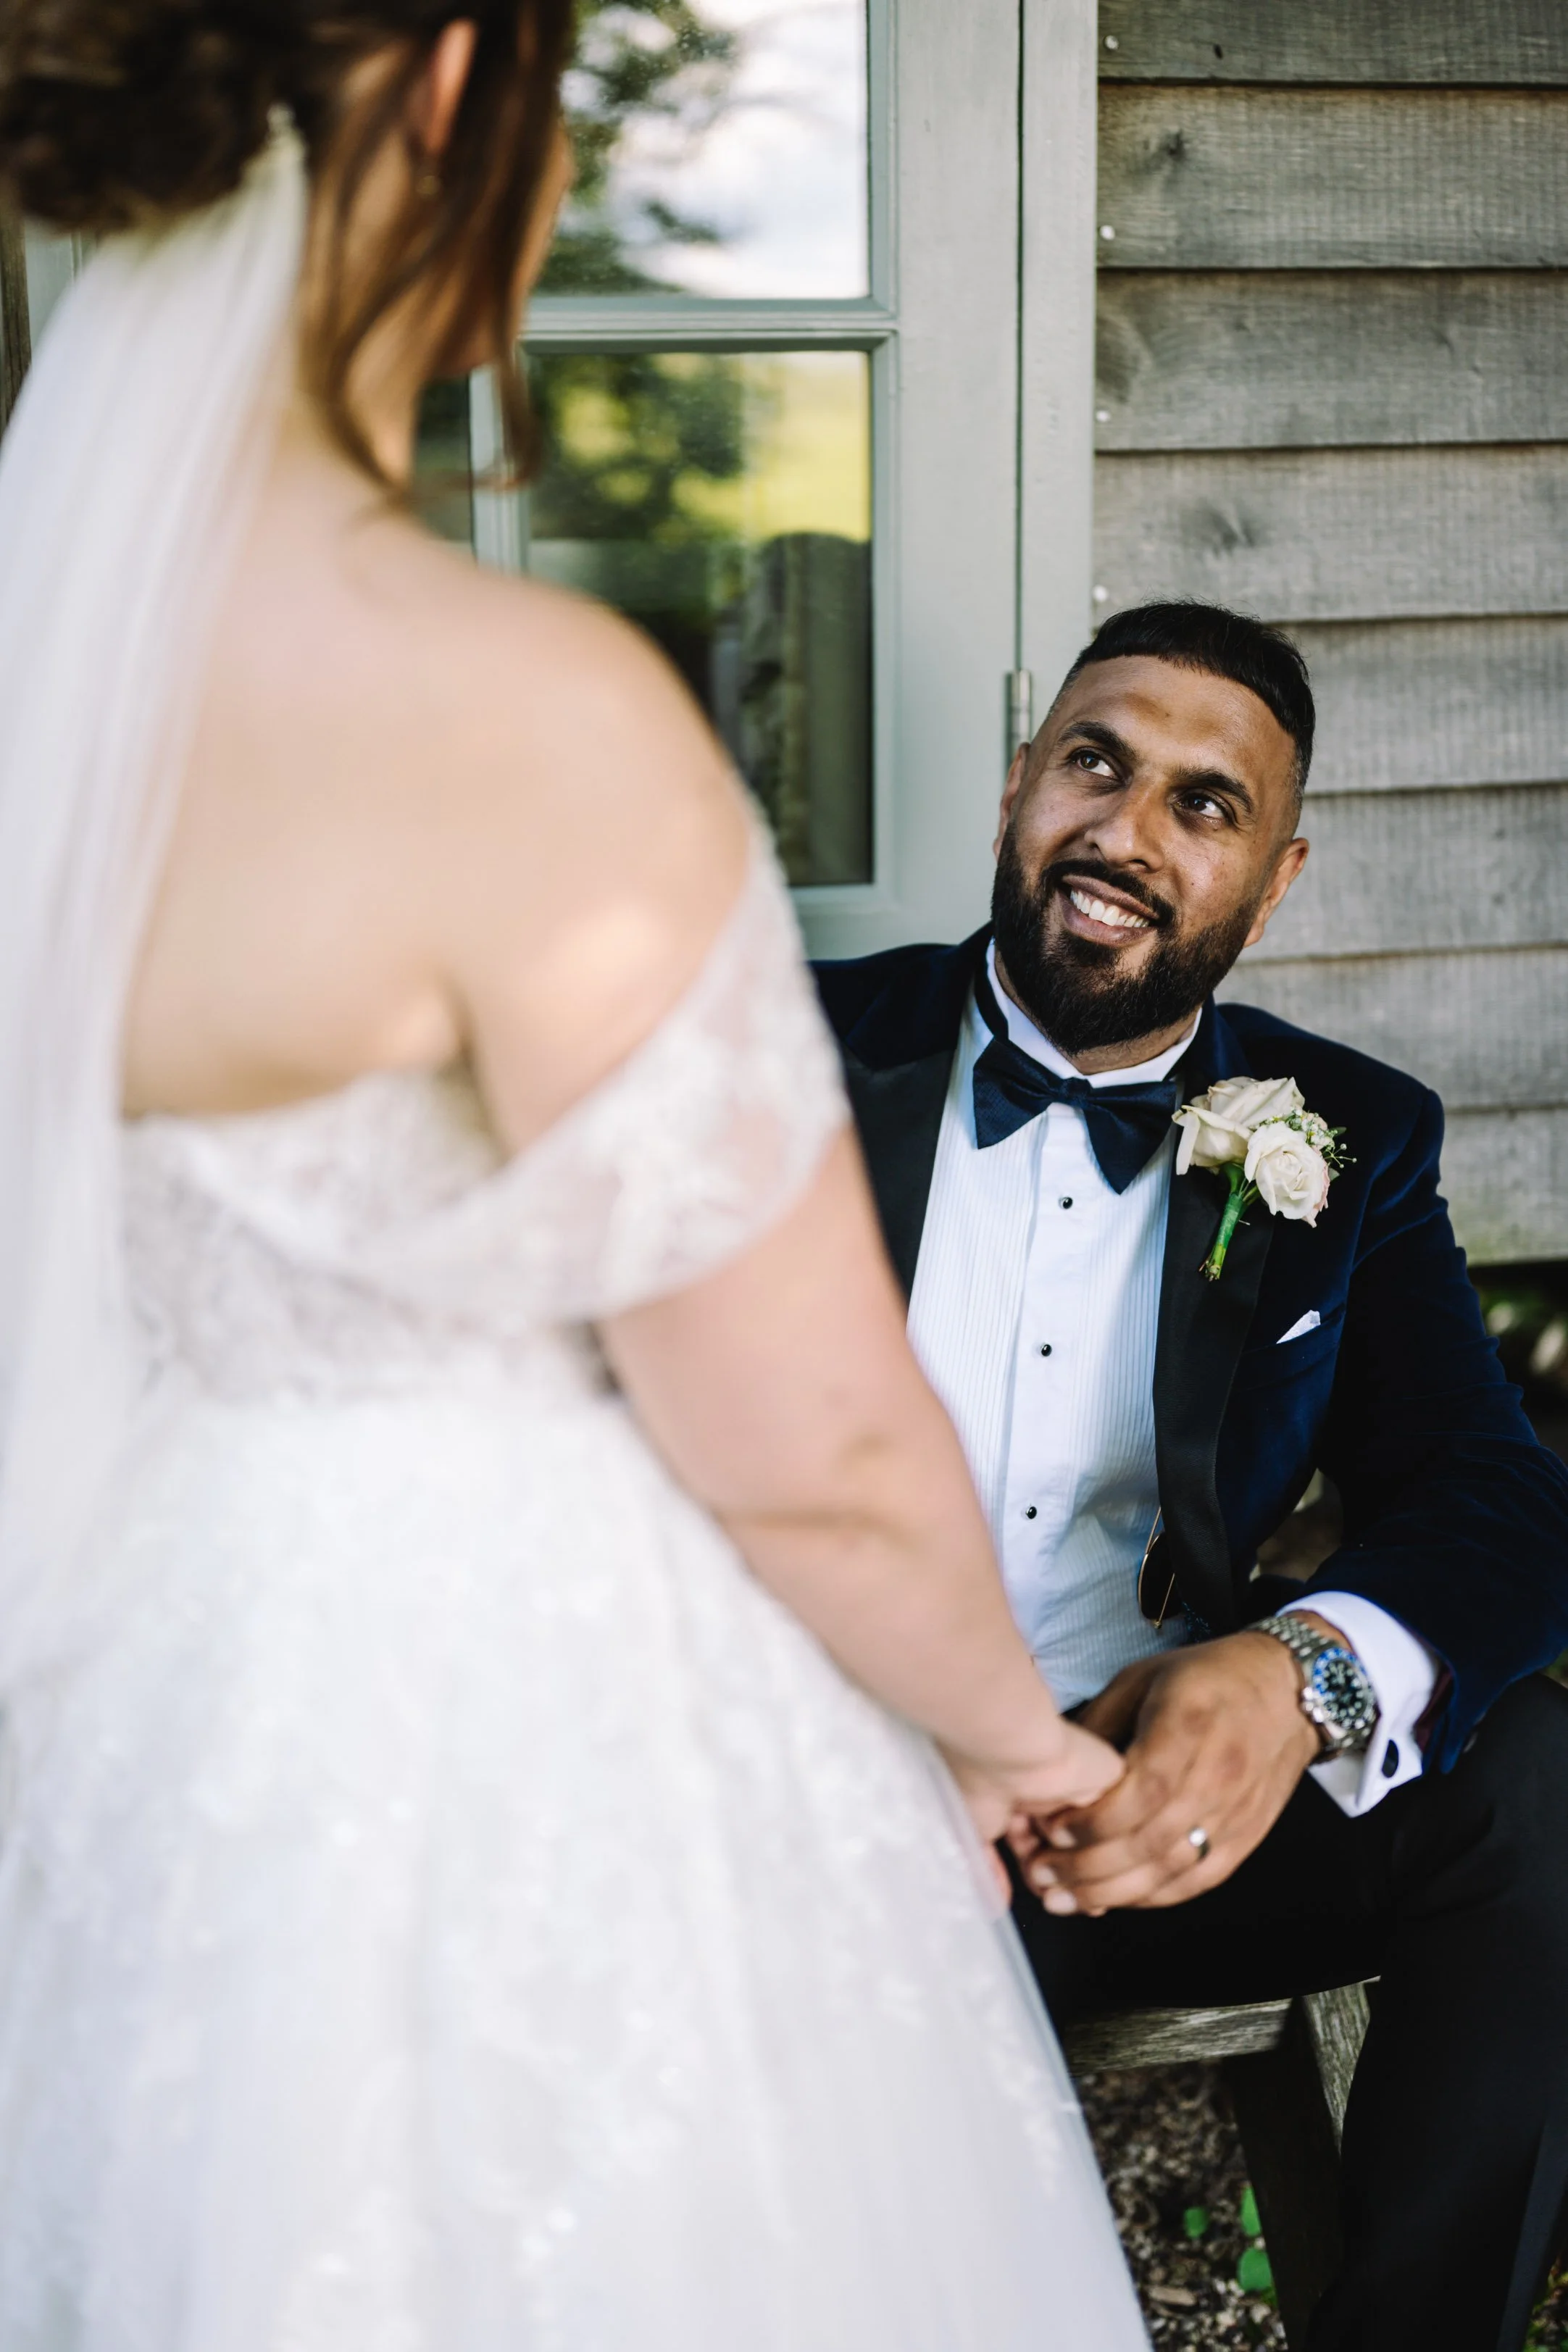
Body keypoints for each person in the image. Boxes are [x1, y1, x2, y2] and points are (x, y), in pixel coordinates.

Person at [0, 7, 1153, 2343]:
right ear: (449, 86)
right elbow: (815, 1446)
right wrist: (1011, 1734)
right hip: (509, 1717)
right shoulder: (514, 713)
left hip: (144, 1699)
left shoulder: (59, 678)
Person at [814, 597, 1568, 2352]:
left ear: (1273, 881)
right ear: (1016, 790)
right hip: (812, 1812)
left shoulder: (1344, 1133)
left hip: (1149, 1820)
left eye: (1201, 804)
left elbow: (1489, 1490)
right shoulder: (788, 1048)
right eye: (1093, 765)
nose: (1124, 833)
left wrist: (1295, 1675)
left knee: (1535, 1784)